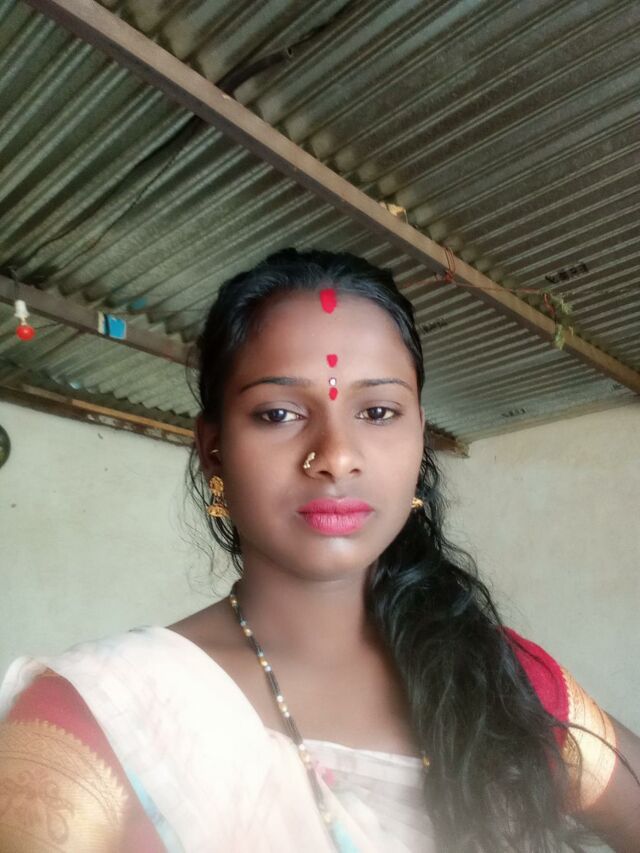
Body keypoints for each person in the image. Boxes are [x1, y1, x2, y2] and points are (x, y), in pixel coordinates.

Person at [0, 248, 638, 852]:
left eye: (379, 412)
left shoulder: (503, 678)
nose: (335, 455)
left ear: (420, 435)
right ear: (213, 447)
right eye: (278, 414)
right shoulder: (101, 716)